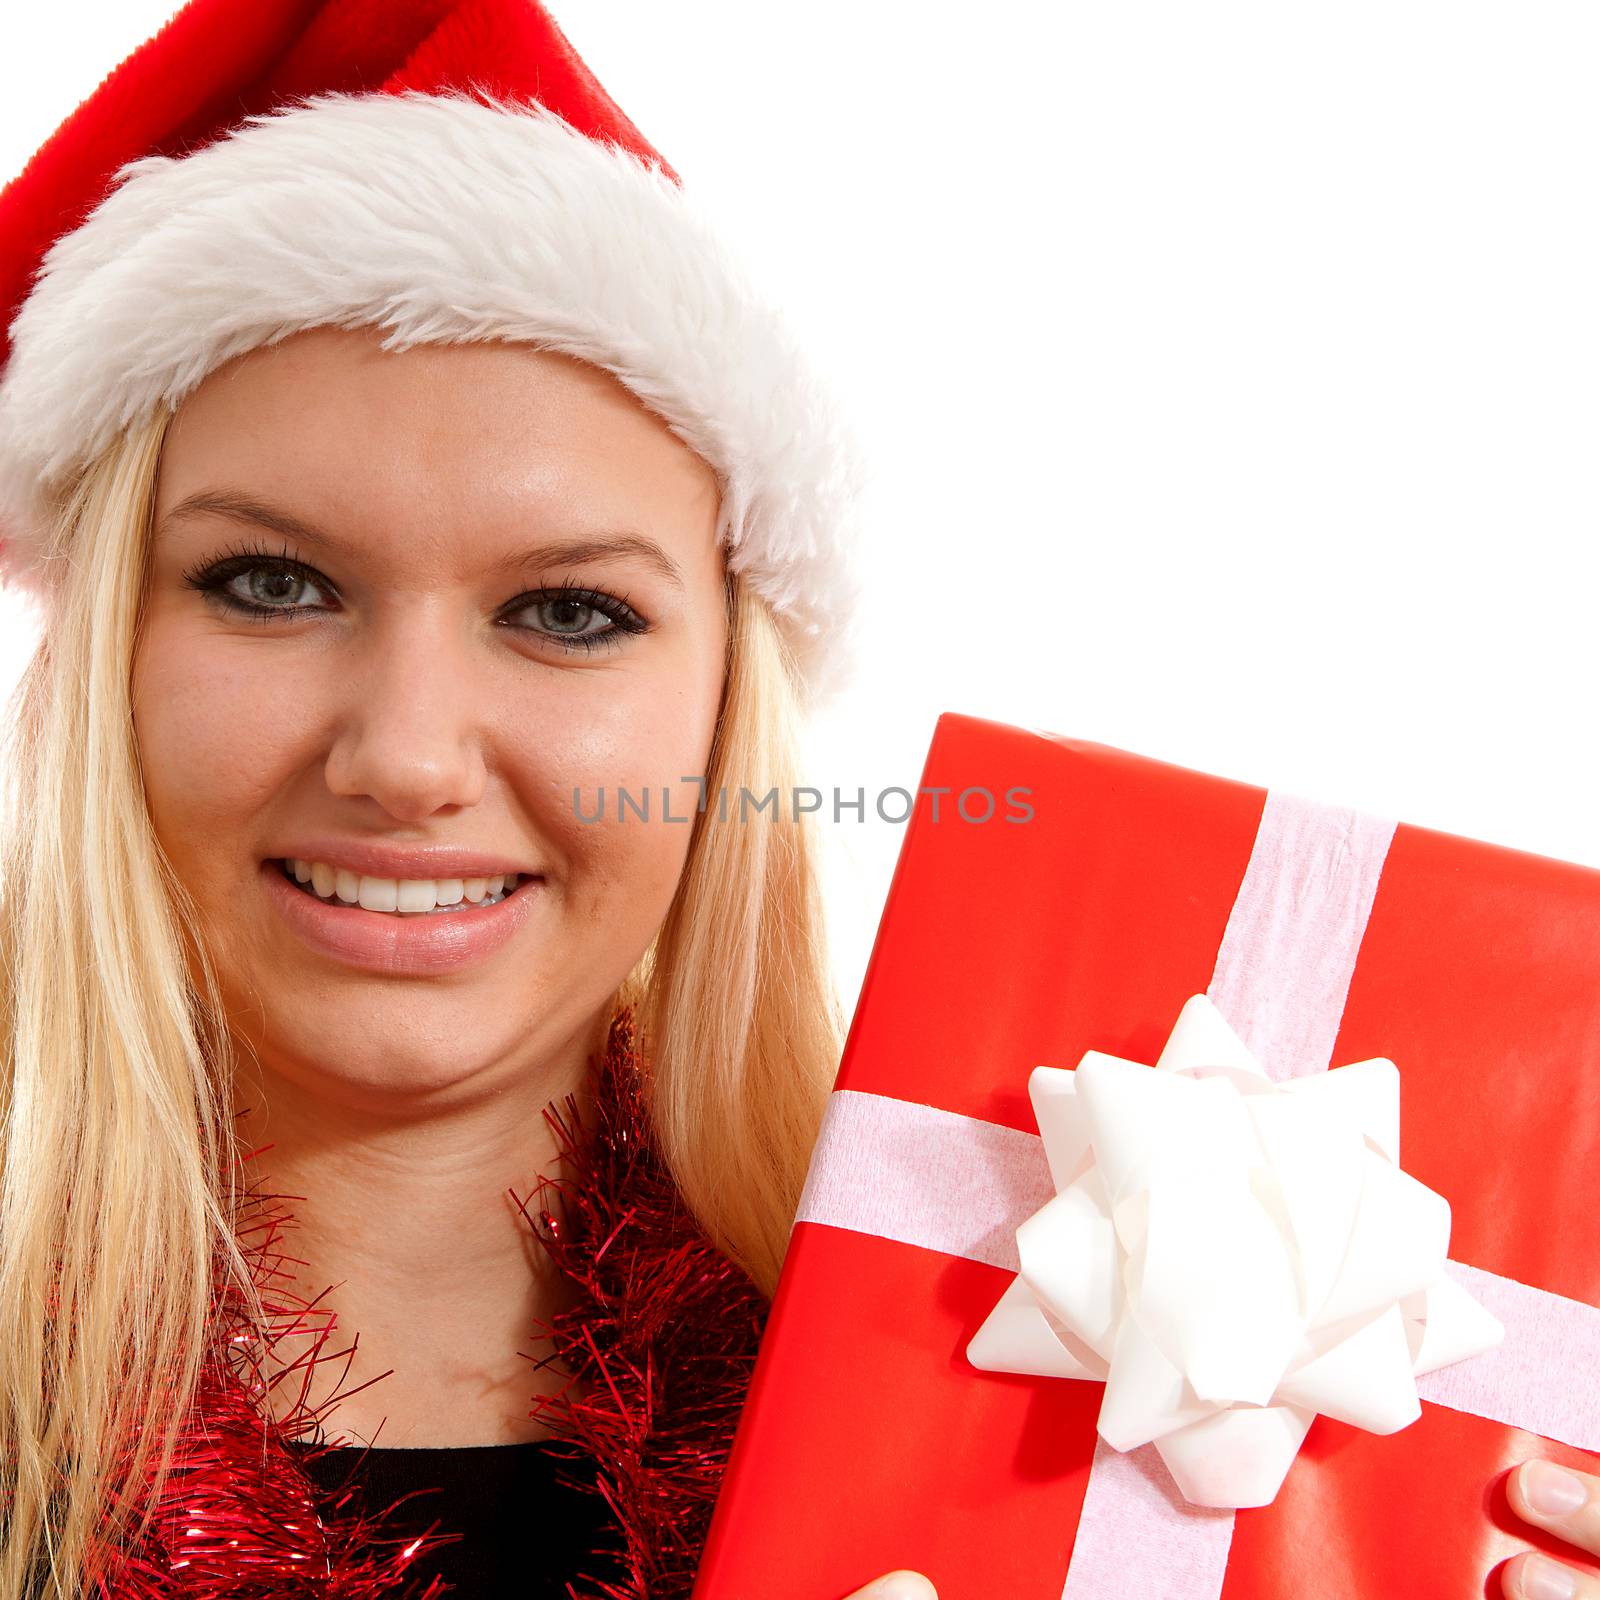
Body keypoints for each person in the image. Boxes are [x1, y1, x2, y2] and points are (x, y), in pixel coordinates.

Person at [0, 6, 1580, 1600]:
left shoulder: (1036, 1416)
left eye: (566, 612)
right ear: (104, 653)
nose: (407, 760)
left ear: (724, 714)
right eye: (269, 583)